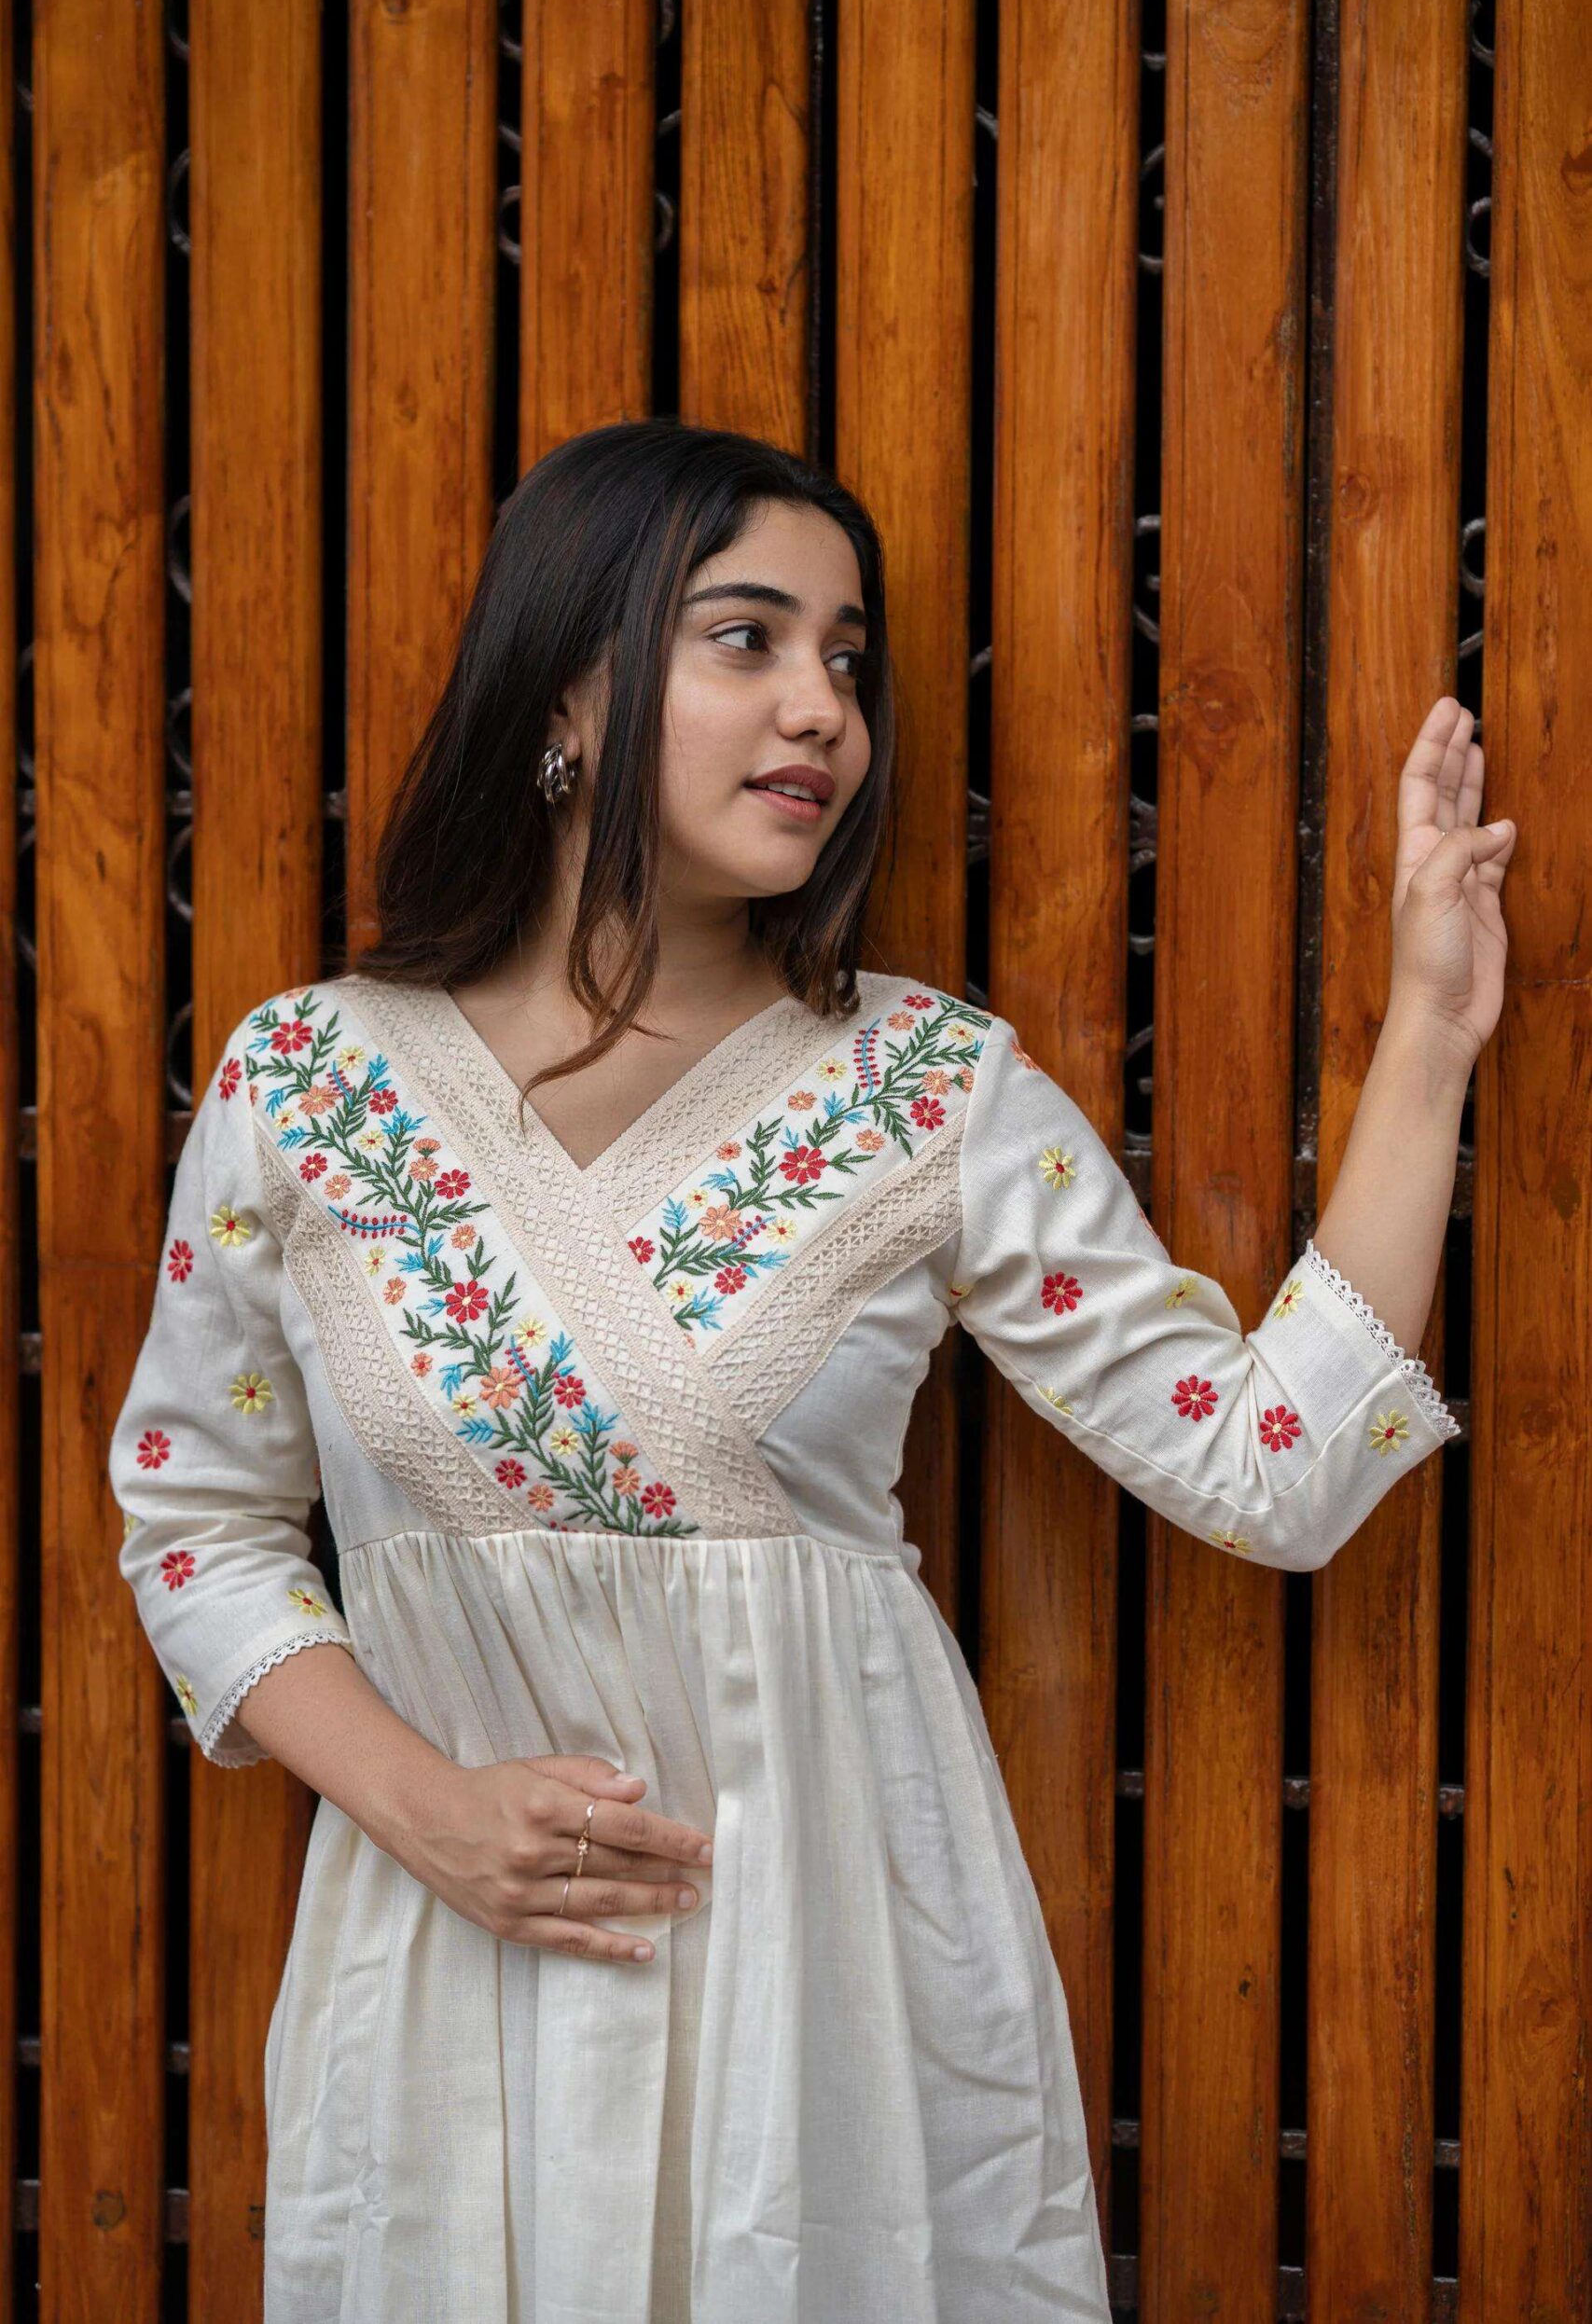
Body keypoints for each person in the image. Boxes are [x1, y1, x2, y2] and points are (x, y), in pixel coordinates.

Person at [108, 420, 1514, 2320]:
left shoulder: (925, 1089)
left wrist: (1428, 1028)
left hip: (828, 1990)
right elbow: (193, 1516)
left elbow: (1269, 1465)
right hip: (442, 1979)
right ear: (568, 688)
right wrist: (420, 1804)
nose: (820, 709)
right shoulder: (306, 1081)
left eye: (846, 659)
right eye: (746, 638)